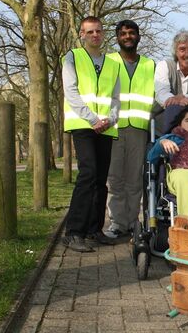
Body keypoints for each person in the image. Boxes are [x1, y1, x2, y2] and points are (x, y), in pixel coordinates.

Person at [62, 16, 121, 252]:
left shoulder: (112, 64)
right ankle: (73, 231)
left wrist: (110, 118)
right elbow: (71, 91)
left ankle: (94, 230)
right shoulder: (72, 57)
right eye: (90, 32)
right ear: (82, 34)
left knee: (100, 179)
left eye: (98, 31)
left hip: (105, 127)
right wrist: (92, 119)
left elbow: (116, 98)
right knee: (87, 175)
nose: (95, 35)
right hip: (83, 125)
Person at [104, 20, 155, 239]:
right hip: (113, 128)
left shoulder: (150, 65)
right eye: (123, 33)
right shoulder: (108, 61)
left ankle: (133, 222)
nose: (127, 36)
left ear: (138, 36)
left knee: (135, 180)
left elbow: (158, 96)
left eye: (131, 33)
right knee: (115, 179)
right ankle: (117, 223)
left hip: (139, 128)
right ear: (117, 37)